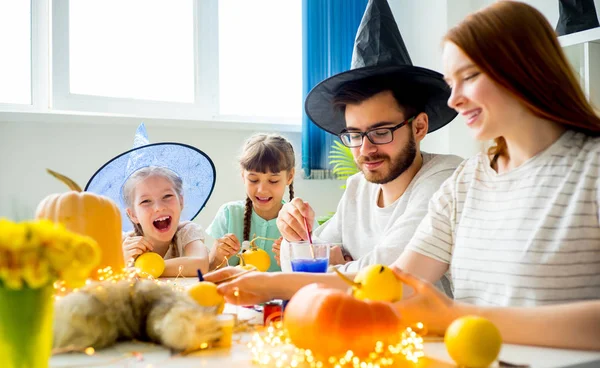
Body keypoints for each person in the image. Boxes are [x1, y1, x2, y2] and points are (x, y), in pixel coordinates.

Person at [205, 0, 462, 304]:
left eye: (381, 132)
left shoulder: (445, 179)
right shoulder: (358, 188)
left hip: (426, 337)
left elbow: (387, 275)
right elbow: (297, 259)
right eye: (354, 134)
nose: (366, 149)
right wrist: (299, 237)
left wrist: (335, 260)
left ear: (419, 127)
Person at [388, 0, 600, 354]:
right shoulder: (467, 180)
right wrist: (279, 286)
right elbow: (397, 282)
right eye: (450, 83)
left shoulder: (591, 168)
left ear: (526, 69)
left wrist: (454, 316)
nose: (454, 100)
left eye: (469, 76)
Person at [86, 123, 216, 277]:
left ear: (181, 201)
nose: (159, 207)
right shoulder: (123, 243)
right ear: (133, 214)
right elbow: (97, 276)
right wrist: (121, 262)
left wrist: (145, 269)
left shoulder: (186, 232)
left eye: (167, 196)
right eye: (146, 201)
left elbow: (200, 264)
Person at [206, 133, 296, 272]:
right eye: (253, 180)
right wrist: (218, 256)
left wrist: (292, 262)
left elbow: (312, 278)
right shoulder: (229, 213)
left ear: (289, 177)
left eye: (273, 181)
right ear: (243, 176)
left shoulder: (298, 221)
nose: (262, 190)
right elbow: (208, 271)